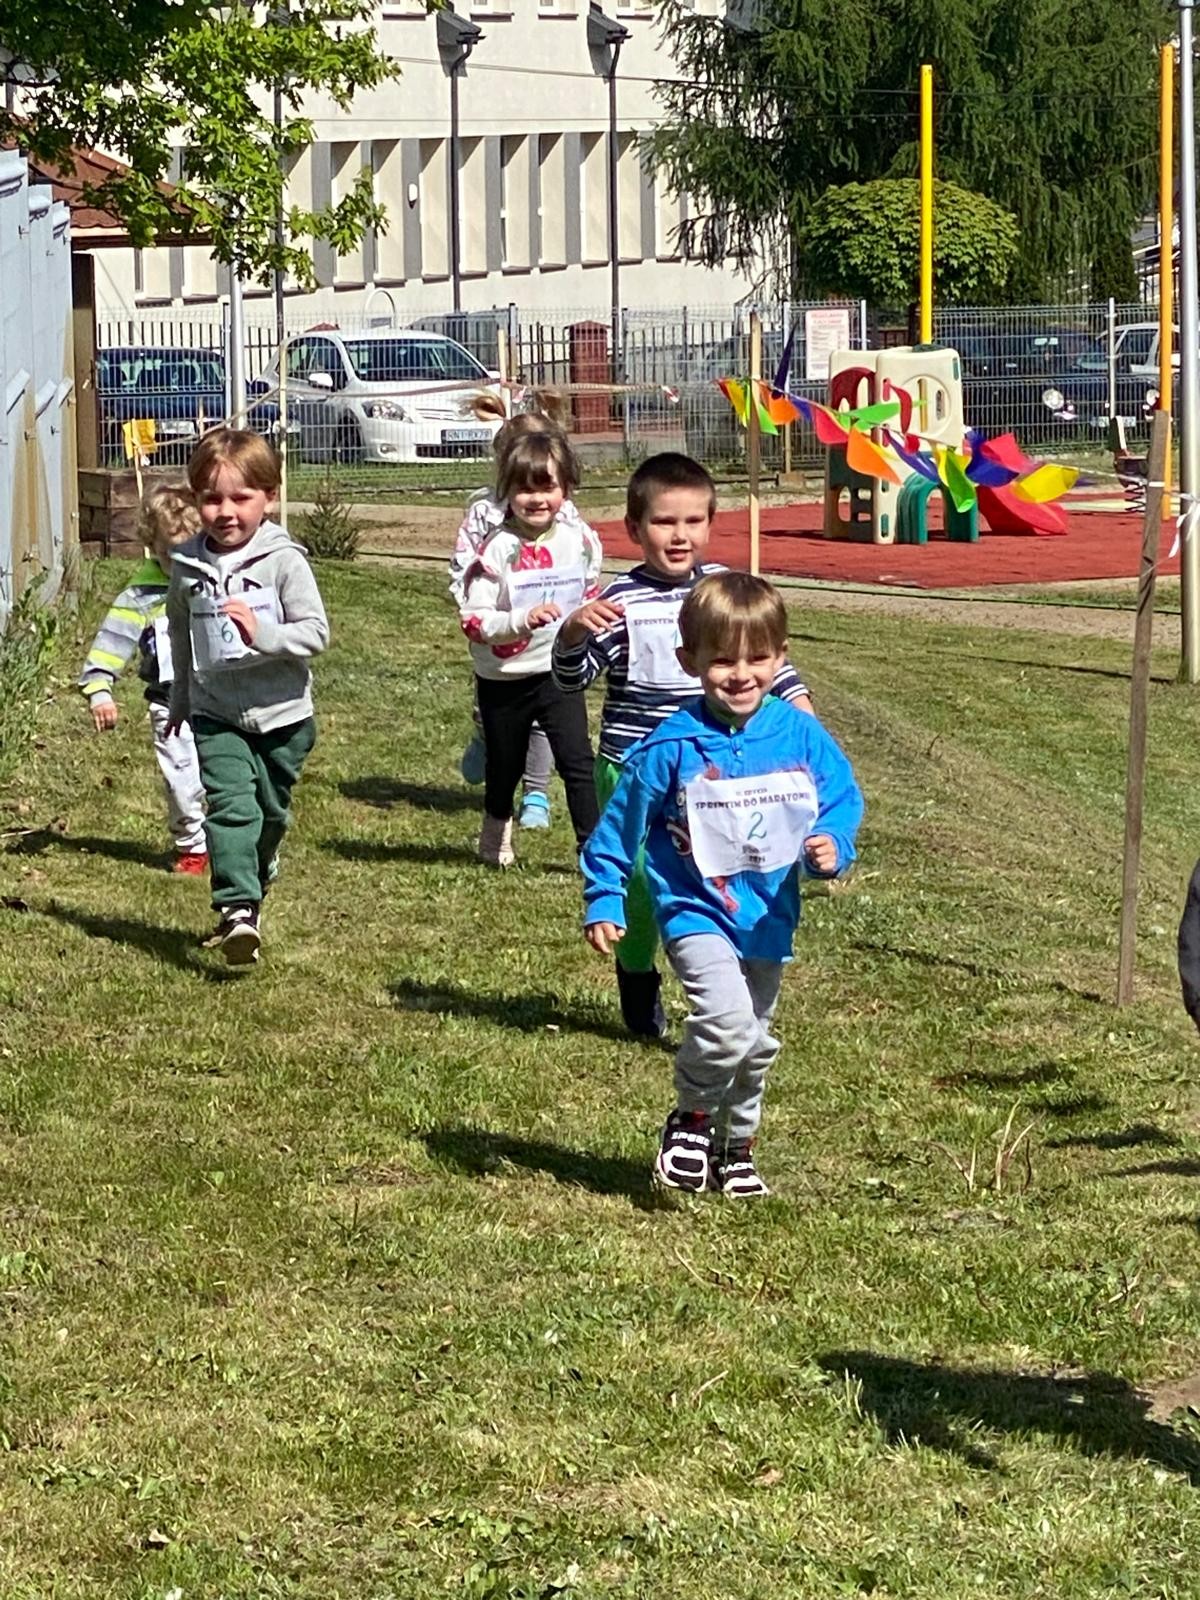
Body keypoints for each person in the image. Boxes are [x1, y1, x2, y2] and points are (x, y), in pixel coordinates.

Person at [581, 571, 863, 1198]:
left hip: (767, 915)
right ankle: (691, 1119)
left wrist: (833, 843)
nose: (740, 675)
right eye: (722, 661)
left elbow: (841, 797)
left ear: (780, 658)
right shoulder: (672, 745)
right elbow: (619, 825)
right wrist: (604, 895)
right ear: (689, 661)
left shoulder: (800, 735)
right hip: (694, 909)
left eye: (757, 659)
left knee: (753, 1041)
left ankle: (736, 1147)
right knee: (728, 1020)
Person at [552, 453, 814, 1039]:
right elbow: (572, 681)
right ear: (634, 527)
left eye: (694, 521)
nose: (679, 535)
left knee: (715, 875)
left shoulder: (725, 592)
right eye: (664, 522)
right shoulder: (620, 602)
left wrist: (800, 709)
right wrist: (571, 634)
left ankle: (724, 976)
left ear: (711, 524)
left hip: (711, 773)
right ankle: (636, 972)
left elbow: (765, 662)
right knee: (642, 885)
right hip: (632, 770)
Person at [166, 429, 329, 966]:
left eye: (241, 498)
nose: (226, 512)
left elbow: (316, 633)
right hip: (216, 712)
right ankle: (238, 909)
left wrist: (264, 634)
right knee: (232, 807)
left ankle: (260, 866)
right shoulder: (187, 566)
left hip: (284, 715)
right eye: (212, 499)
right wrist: (181, 696)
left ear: (270, 497)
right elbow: (179, 633)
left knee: (270, 815)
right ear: (196, 500)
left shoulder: (284, 561)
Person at [459, 430, 602, 867]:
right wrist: (522, 620)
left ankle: (592, 851)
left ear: (566, 489)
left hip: (557, 672)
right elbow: (473, 621)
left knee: (578, 760)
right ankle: (495, 837)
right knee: (505, 766)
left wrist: (591, 626)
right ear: (506, 492)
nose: (537, 499)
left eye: (548, 487)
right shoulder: (496, 550)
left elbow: (588, 594)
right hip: (504, 678)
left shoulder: (580, 541)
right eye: (524, 489)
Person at [79, 482, 208, 874]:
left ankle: (234, 837)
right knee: (181, 778)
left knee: (225, 775)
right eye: (170, 555)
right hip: (169, 703)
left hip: (220, 698)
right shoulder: (140, 597)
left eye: (189, 552)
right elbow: (112, 640)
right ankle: (193, 844)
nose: (180, 563)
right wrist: (100, 688)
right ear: (152, 546)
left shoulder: (214, 581)